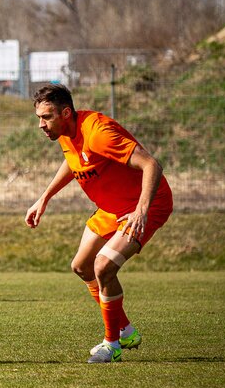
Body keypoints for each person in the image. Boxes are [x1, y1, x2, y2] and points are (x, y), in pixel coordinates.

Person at [25, 83, 173, 363]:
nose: (41, 125)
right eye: (38, 118)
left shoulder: (99, 134)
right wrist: (44, 197)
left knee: (103, 266)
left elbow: (151, 165)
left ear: (65, 113)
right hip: (112, 209)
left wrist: (141, 210)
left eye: (46, 117)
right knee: (82, 266)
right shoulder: (66, 132)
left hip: (146, 205)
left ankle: (112, 345)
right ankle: (126, 330)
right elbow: (74, 162)